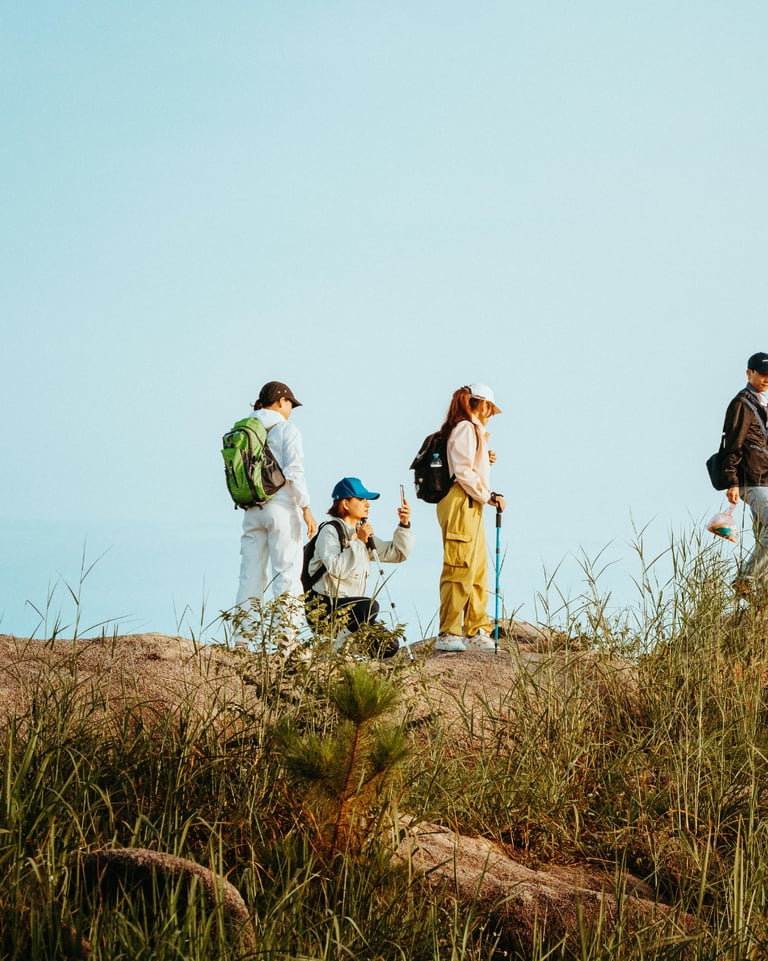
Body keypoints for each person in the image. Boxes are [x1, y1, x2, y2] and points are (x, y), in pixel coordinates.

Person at [234, 381, 317, 633]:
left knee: (250, 574)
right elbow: (294, 472)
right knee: (287, 572)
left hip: (251, 509)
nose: (291, 409)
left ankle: (242, 640)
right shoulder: (286, 429)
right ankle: (287, 639)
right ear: (281, 401)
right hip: (280, 508)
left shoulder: (244, 429)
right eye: (290, 403)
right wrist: (306, 508)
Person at [306, 477, 414, 656]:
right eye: (361, 499)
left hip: (351, 610)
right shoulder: (330, 531)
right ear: (346, 503)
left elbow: (396, 553)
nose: (367, 504)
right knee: (369, 606)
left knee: (389, 644)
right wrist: (359, 542)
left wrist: (404, 524)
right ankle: (337, 650)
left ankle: (350, 657)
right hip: (323, 607)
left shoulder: (358, 532)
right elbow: (336, 568)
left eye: (367, 500)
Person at [434, 384, 506, 652]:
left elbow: (467, 465)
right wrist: (488, 495)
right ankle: (449, 631)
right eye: (490, 409)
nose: (491, 414)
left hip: (470, 501)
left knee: (476, 567)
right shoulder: (465, 428)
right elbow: (463, 471)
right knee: (459, 565)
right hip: (460, 499)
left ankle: (476, 628)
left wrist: (485, 459)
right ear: (482, 404)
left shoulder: (471, 431)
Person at [721, 352, 768, 596]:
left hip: (764, 478)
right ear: (749, 373)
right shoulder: (742, 403)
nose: (766, 378)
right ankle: (746, 578)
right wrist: (732, 481)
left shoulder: (760, 402)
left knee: (764, 538)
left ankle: (759, 592)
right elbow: (733, 443)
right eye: (762, 373)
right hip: (753, 479)